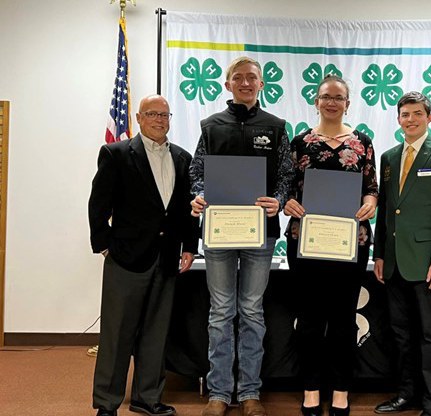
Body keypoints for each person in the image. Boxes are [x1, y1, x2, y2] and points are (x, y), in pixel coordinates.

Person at [189, 56, 294, 416]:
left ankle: (250, 392)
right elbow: (197, 172)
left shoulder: (277, 126)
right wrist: (199, 194)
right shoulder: (210, 125)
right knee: (220, 313)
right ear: (227, 84)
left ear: (262, 85)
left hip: (260, 236)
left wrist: (277, 200)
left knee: (251, 311)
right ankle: (219, 392)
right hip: (218, 234)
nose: (246, 83)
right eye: (239, 78)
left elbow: (286, 175)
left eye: (252, 78)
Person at [88, 94, 199, 416]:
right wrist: (104, 244)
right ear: (138, 118)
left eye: (165, 115)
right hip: (126, 258)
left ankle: (146, 398)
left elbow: (184, 210)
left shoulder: (182, 157)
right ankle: (107, 403)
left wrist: (190, 247)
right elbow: (98, 205)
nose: (160, 120)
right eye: (152, 114)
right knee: (117, 334)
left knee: (156, 334)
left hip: (166, 259)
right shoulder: (116, 153)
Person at [283, 75, 378, 416]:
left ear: (348, 103)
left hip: (350, 243)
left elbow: (371, 186)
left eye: (339, 97)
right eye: (326, 96)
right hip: (305, 242)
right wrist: (287, 203)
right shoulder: (299, 142)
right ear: (316, 101)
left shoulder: (363, 143)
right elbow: (286, 188)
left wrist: (370, 201)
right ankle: (310, 389)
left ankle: (340, 390)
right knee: (309, 319)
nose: (332, 102)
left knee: (342, 319)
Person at [373, 91, 431, 416]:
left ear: (429, 117)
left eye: (416, 114)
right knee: (402, 336)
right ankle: (407, 394)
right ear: (398, 120)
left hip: (428, 265)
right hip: (395, 263)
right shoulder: (389, 158)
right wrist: (380, 254)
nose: (410, 119)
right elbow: (386, 210)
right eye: (405, 115)